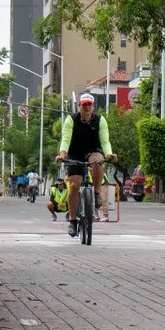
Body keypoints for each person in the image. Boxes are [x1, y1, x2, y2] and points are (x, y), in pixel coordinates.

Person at [56, 92, 116, 237]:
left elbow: (105, 141)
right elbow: (65, 139)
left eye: (90, 104)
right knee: (75, 185)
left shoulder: (100, 120)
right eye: (84, 105)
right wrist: (62, 154)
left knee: (98, 161)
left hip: (92, 151)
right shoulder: (71, 120)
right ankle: (72, 221)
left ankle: (96, 193)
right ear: (79, 106)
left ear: (93, 106)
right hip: (74, 153)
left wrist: (109, 154)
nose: (87, 107)